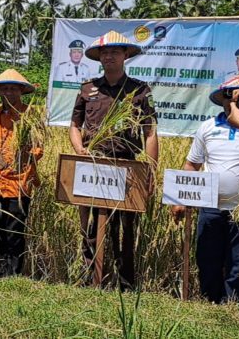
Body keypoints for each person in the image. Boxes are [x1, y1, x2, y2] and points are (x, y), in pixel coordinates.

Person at [171, 75, 239, 304]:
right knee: (207, 257)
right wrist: (179, 199)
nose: (236, 102)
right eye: (231, 97)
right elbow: (192, 165)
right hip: (210, 206)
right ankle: (209, 301)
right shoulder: (208, 127)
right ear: (222, 100)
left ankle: (233, 304)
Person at [69, 30, 159, 290]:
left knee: (124, 228)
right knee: (90, 224)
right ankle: (90, 279)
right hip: (93, 164)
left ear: (125, 55)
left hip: (126, 166)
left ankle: (125, 285)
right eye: (105, 52)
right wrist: (79, 148)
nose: (109, 56)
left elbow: (150, 132)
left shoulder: (139, 90)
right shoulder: (88, 89)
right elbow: (74, 126)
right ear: (99, 57)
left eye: (115, 52)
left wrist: (150, 171)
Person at [0, 69, 43, 277]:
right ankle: (0, 272)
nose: (9, 93)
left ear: (21, 91)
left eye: (13, 89)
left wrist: (25, 154)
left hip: (19, 184)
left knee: (15, 232)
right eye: (5, 89)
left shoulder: (30, 116)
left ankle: (14, 274)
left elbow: (39, 149)